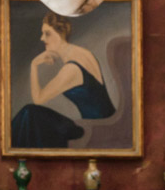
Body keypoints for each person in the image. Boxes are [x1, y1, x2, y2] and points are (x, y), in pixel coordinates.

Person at [11, 13, 114, 148]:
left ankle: (12, 150)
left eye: (47, 34)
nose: (42, 38)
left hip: (96, 128)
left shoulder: (71, 69)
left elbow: (38, 99)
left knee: (29, 113)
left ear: (61, 34)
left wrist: (34, 65)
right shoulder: (83, 53)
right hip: (104, 121)